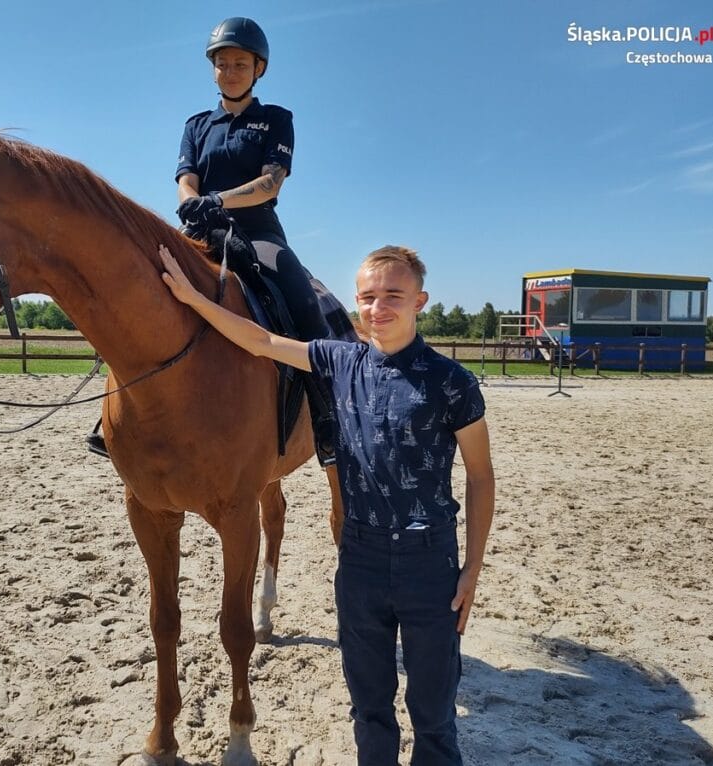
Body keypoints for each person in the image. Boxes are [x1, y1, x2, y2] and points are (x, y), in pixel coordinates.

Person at [159, 243, 495, 765]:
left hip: (430, 563)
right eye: (367, 297)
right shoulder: (338, 361)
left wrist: (472, 566)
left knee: (433, 716)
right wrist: (190, 297)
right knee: (369, 710)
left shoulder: (452, 382)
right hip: (359, 560)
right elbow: (261, 339)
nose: (377, 307)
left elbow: (480, 474)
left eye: (392, 296)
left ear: (420, 301)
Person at [175, 16, 336, 462]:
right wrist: (192, 200)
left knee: (303, 301)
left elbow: (270, 185)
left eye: (239, 64)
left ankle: (326, 417)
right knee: (146, 279)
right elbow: (185, 177)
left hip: (259, 232)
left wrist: (218, 200)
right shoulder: (196, 125)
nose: (230, 71)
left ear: (258, 68)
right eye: (222, 63)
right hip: (202, 229)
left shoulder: (276, 120)